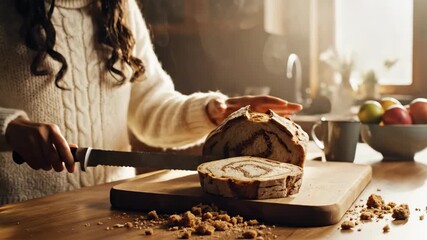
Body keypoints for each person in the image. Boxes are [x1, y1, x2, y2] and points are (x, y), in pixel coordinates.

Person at [0, 0, 302, 205]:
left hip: (110, 209)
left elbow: (150, 108)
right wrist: (11, 126)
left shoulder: (119, 7)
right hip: (20, 215)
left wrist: (212, 113)